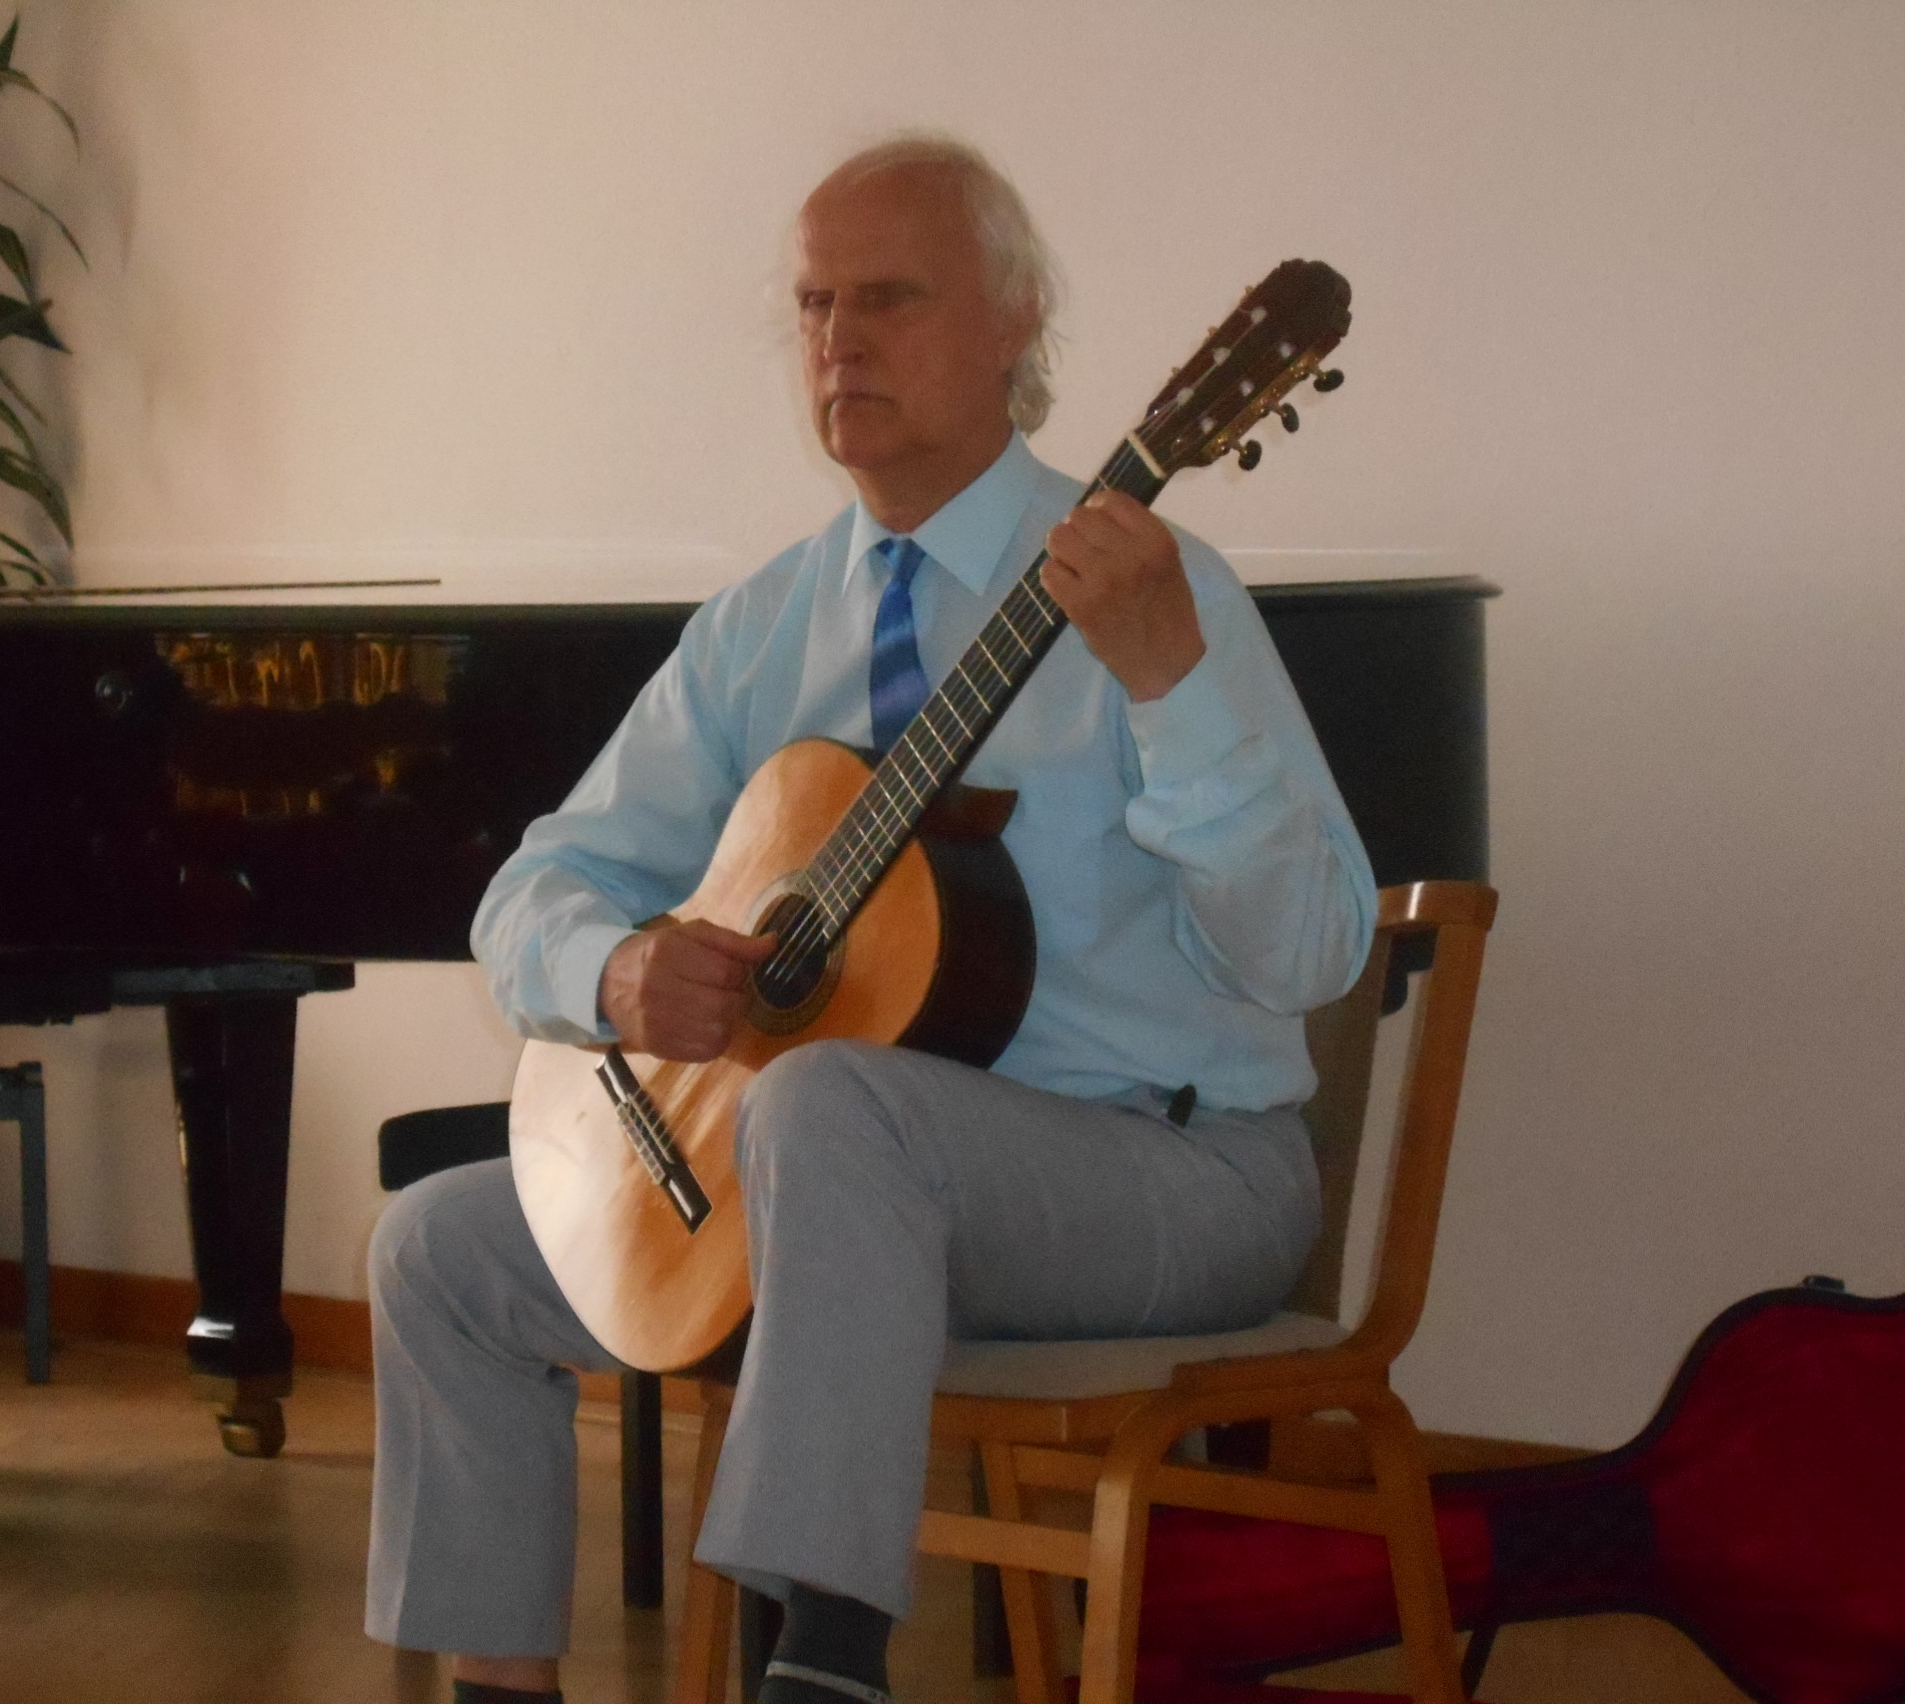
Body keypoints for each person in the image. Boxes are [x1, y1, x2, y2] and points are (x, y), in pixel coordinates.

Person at [367, 133, 1375, 1704]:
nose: (840, 340)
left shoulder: (1153, 588)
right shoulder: (762, 626)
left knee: (834, 1104)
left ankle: (825, 1665)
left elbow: (1312, 955)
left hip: (1172, 1175)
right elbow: (531, 894)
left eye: (890, 297)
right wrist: (614, 969)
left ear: (1016, 321)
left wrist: (1169, 686)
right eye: (816, 304)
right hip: (839, 1192)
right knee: (436, 1247)